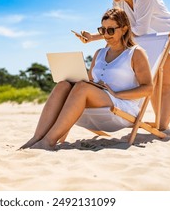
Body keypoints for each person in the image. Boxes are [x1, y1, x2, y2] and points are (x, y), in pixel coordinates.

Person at [76, 0, 170, 131]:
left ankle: (163, 127)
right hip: (146, 39)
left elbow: (139, 29)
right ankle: (160, 124)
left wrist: (103, 37)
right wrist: (92, 37)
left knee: (167, 83)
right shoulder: (117, 2)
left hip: (169, 36)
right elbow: (116, 29)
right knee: (153, 81)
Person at [21, 8, 153, 150]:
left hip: (122, 105)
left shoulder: (135, 53)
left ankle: (48, 141)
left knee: (82, 87)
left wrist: (116, 94)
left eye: (111, 30)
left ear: (124, 29)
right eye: (103, 30)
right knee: (63, 85)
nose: (106, 35)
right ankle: (36, 138)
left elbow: (148, 88)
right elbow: (90, 82)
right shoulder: (99, 53)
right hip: (100, 98)